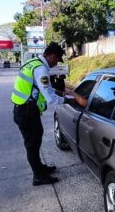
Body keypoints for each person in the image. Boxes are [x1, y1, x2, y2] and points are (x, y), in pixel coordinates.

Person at [11, 42, 86, 186]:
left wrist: (63, 92)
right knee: (32, 144)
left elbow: (47, 88)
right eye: (57, 60)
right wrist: (68, 101)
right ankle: (38, 176)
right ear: (51, 56)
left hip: (24, 109)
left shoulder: (33, 63)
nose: (56, 63)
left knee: (36, 140)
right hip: (26, 111)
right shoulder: (41, 69)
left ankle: (40, 168)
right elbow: (51, 99)